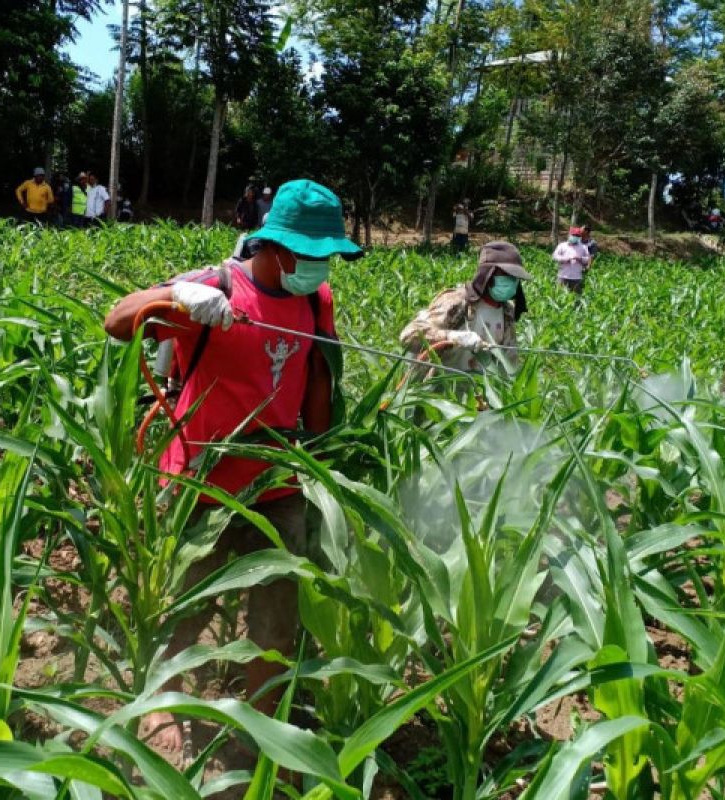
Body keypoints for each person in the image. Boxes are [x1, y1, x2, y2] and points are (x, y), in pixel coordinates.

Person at [104, 179, 361, 756]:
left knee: (276, 619)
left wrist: (319, 465)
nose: (322, 267)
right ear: (276, 246)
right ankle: (163, 703)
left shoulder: (315, 300)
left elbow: (317, 381)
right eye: (313, 255)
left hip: (278, 483)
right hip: (203, 483)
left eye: (329, 257)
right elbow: (117, 322)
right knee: (186, 609)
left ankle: (259, 727)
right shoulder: (216, 288)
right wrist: (174, 300)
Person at [400, 241, 531, 373]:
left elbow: (509, 362)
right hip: (438, 386)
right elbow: (409, 336)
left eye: (514, 278)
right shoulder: (457, 302)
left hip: (477, 389)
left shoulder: (507, 312)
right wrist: (451, 337)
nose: (511, 282)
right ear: (488, 274)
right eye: (505, 276)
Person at [553, 226, 591, 294]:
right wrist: (565, 259)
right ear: (569, 235)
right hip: (562, 276)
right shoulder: (562, 245)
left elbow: (587, 260)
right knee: (560, 295)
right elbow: (555, 256)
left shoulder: (583, 247)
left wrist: (579, 258)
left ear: (579, 237)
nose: (575, 237)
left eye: (577, 235)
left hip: (576, 277)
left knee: (577, 297)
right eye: (573, 235)